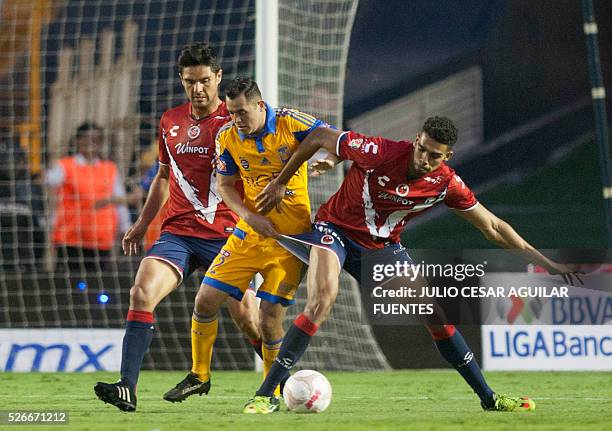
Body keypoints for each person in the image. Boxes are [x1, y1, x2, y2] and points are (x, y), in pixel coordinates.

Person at [251, 116, 583, 413]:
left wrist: (546, 263)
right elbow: (319, 135)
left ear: (447, 156)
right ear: (415, 141)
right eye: (422, 149)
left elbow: (493, 227)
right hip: (334, 231)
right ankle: (265, 395)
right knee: (322, 298)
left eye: (434, 155)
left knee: (435, 314)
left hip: (382, 249)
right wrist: (282, 180)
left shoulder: (446, 183)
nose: (425, 159)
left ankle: (489, 398)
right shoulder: (378, 151)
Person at [94, 43, 262, 412]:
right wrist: (141, 225)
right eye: (190, 82)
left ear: (218, 77)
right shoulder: (170, 121)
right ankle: (127, 387)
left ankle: (279, 380)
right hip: (179, 233)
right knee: (141, 293)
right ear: (181, 81)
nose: (198, 89)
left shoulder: (238, 120)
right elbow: (164, 177)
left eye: (204, 80)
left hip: (228, 235)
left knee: (248, 319)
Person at [165, 76, 325, 413]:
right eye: (232, 112)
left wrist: (332, 160)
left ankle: (271, 393)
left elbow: (336, 140)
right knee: (205, 301)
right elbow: (225, 185)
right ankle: (199, 374)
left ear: (260, 105)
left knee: (268, 319)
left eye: (242, 112)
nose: (236, 119)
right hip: (249, 234)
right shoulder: (227, 136)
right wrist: (249, 217)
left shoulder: (289, 121)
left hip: (289, 241)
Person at [46, 122, 130, 273]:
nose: (90, 143)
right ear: (77, 140)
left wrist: (126, 227)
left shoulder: (109, 168)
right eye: (85, 138)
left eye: (95, 139)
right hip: (70, 237)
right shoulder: (65, 165)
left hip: (100, 238)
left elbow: (119, 200)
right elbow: (50, 182)